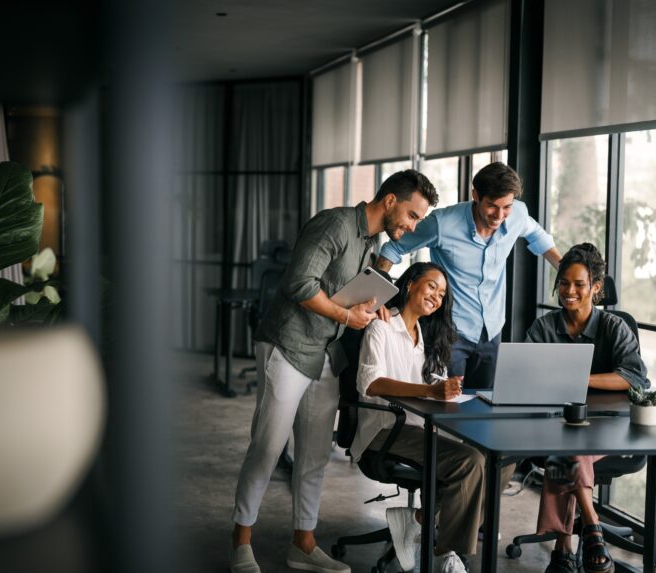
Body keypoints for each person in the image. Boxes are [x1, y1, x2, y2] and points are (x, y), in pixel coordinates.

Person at [230, 170, 439, 573]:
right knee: (268, 447)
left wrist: (370, 305)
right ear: (391, 200)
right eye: (412, 216)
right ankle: (240, 542)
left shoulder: (371, 242)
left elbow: (346, 290)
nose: (413, 227)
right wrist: (347, 313)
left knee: (313, 455)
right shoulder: (336, 223)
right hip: (287, 345)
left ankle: (302, 545)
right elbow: (300, 283)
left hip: (326, 353)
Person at [351, 262, 514, 573]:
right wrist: (429, 391)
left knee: (500, 456)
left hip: (421, 425)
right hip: (386, 428)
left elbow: (430, 388)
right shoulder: (381, 327)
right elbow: (370, 383)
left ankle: (420, 521)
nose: (436, 297)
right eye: (431, 287)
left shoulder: (423, 336)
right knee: (470, 462)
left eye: (442, 294)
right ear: (411, 284)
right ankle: (451, 553)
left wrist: (445, 390)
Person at [375, 162, 561, 389]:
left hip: (492, 331)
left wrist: (565, 270)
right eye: (492, 206)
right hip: (450, 332)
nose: (499, 215)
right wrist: (377, 297)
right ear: (476, 195)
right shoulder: (442, 224)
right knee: (447, 407)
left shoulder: (517, 214)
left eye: (506, 207)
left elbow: (539, 238)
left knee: (484, 408)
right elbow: (392, 249)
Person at [525, 243, 650, 573]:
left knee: (566, 453)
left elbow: (635, 378)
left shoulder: (614, 327)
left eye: (579, 285)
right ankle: (592, 528)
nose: (569, 291)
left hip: (608, 430)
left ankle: (563, 548)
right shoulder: (544, 328)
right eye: (564, 282)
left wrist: (579, 377)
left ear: (595, 287)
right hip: (553, 428)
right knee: (567, 449)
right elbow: (525, 373)